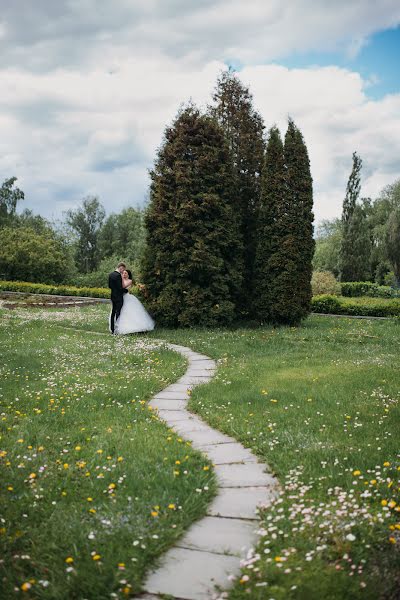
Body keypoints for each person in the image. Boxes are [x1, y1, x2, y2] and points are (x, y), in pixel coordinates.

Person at [113, 269, 155, 334]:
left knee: (129, 312)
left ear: (128, 274)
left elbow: (123, 288)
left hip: (127, 297)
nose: (124, 274)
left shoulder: (129, 281)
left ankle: (132, 327)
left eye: (125, 273)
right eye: (123, 273)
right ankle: (116, 327)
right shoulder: (120, 280)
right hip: (120, 298)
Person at [108, 262, 128, 334]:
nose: (123, 271)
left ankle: (112, 329)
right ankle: (117, 329)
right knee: (118, 312)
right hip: (119, 297)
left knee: (113, 312)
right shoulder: (118, 275)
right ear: (121, 267)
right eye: (123, 269)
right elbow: (120, 288)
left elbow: (109, 286)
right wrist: (126, 290)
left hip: (113, 296)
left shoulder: (110, 275)